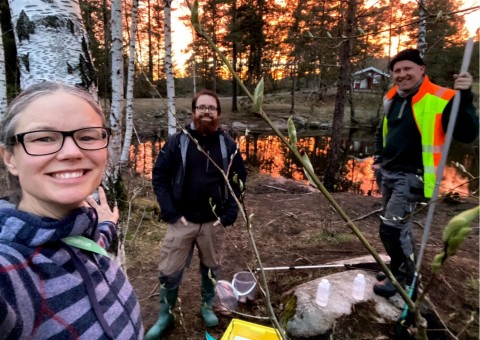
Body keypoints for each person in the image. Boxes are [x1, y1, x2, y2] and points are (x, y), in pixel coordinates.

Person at [0, 81, 144, 339]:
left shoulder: (81, 239)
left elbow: (77, 245)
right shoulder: (11, 273)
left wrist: (106, 226)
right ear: (10, 158)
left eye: (87, 136)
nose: (71, 152)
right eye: (44, 137)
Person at [372, 49, 478, 297]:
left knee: (392, 229)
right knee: (400, 228)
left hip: (414, 176)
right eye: (397, 71)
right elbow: (381, 132)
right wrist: (378, 161)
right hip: (388, 172)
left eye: (407, 68)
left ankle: (405, 278)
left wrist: (466, 97)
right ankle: (399, 266)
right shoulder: (392, 97)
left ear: (422, 69)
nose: (402, 74)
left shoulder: (442, 97)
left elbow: (467, 133)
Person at [147, 89, 247, 338]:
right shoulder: (178, 141)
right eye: (201, 107)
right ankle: (165, 315)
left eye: (211, 108)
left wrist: (228, 215)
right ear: (193, 112)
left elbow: (239, 182)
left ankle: (206, 306)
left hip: (213, 223)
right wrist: (170, 211)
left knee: (211, 268)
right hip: (182, 220)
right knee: (169, 271)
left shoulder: (227, 144)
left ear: (218, 114)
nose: (206, 111)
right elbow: (159, 176)